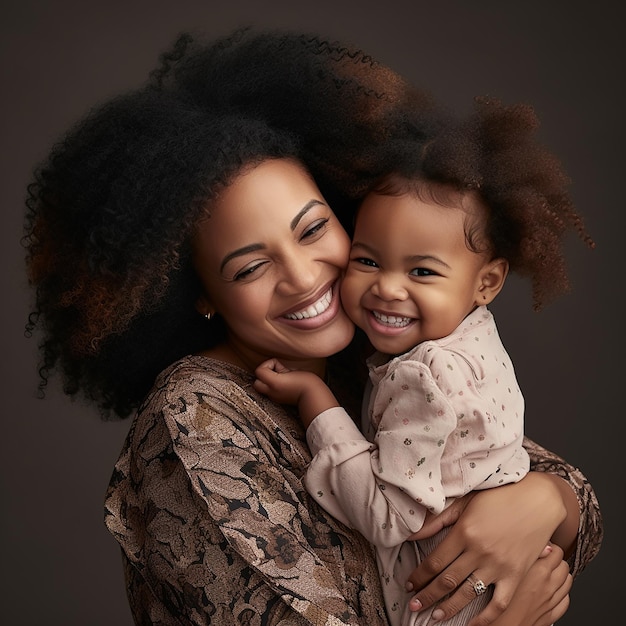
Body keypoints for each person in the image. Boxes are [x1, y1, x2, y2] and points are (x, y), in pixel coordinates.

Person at [22, 28, 602, 626]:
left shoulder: (369, 351)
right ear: (201, 297)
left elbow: (540, 474)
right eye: (250, 266)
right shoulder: (193, 422)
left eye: (313, 228)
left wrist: (540, 502)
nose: (303, 278)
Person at [254, 96, 595, 625]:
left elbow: (388, 517)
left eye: (423, 272)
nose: (387, 288)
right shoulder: (472, 335)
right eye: (367, 260)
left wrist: (315, 400)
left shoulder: (422, 372)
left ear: (487, 282)